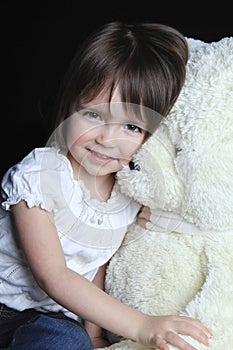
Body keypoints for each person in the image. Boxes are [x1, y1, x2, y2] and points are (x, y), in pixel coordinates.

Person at [0, 21, 211, 350]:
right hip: (4, 305)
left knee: (69, 342)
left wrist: (95, 334)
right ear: (69, 105)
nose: (107, 139)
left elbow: (94, 263)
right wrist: (141, 326)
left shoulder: (126, 191)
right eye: (93, 115)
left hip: (49, 318)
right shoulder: (40, 175)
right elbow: (52, 275)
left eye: (131, 126)